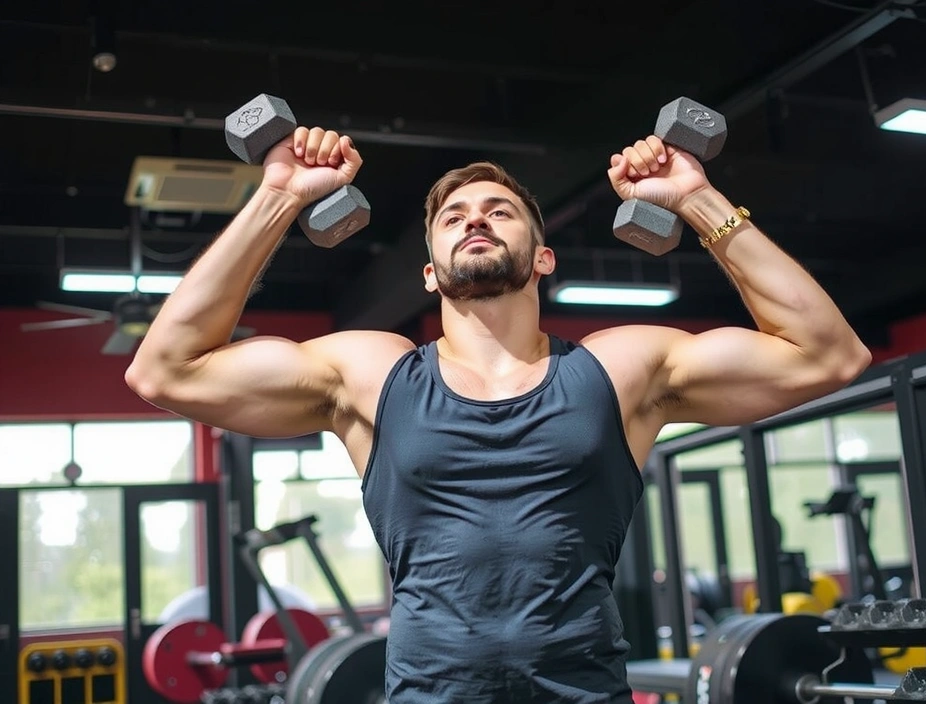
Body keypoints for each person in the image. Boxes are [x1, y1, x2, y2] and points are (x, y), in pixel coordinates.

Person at [126, 124, 871, 702]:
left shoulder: (617, 368)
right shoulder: (370, 373)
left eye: (500, 211)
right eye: (453, 217)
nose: (474, 221)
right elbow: (165, 370)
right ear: (430, 269)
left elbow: (827, 356)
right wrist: (280, 193)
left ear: (542, 257)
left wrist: (695, 198)